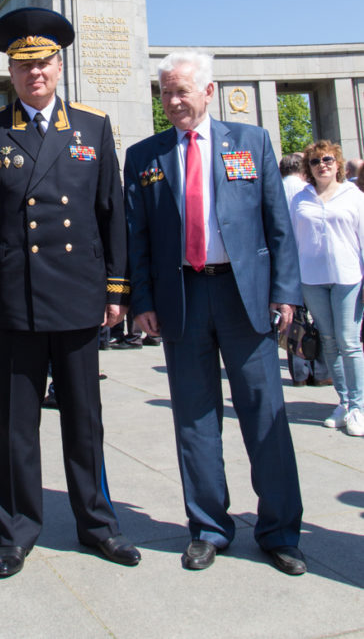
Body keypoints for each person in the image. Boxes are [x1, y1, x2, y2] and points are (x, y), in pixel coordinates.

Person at [0, 7, 139, 578]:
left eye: (45, 63)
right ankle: (15, 531)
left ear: (59, 67)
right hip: (16, 297)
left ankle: (99, 525)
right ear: (10, 71)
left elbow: (111, 212)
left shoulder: (92, 126)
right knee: (16, 425)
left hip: (79, 294)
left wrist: (117, 287)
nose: (35, 73)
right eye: (24, 65)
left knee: (85, 421)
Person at [125, 51, 306, 576]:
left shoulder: (251, 142)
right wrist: (142, 301)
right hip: (181, 298)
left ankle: (279, 532)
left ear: (209, 91)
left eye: (182, 90)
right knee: (194, 418)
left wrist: (285, 293)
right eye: (165, 92)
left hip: (243, 297)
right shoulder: (145, 156)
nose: (173, 101)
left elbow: (277, 224)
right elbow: (137, 236)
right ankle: (208, 528)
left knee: (264, 414)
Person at [290, 141, 364, 436]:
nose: (322, 165)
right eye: (315, 161)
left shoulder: (353, 195)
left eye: (328, 160)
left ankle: (359, 406)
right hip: (312, 278)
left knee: (349, 341)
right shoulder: (300, 198)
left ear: (338, 164)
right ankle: (344, 402)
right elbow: (292, 241)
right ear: (308, 168)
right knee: (329, 341)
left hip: (348, 277)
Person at [279, 153, 330, 388]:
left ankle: (299, 373)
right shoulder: (309, 191)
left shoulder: (275, 188)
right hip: (311, 264)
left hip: (286, 264)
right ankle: (321, 372)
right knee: (320, 319)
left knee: (294, 320)